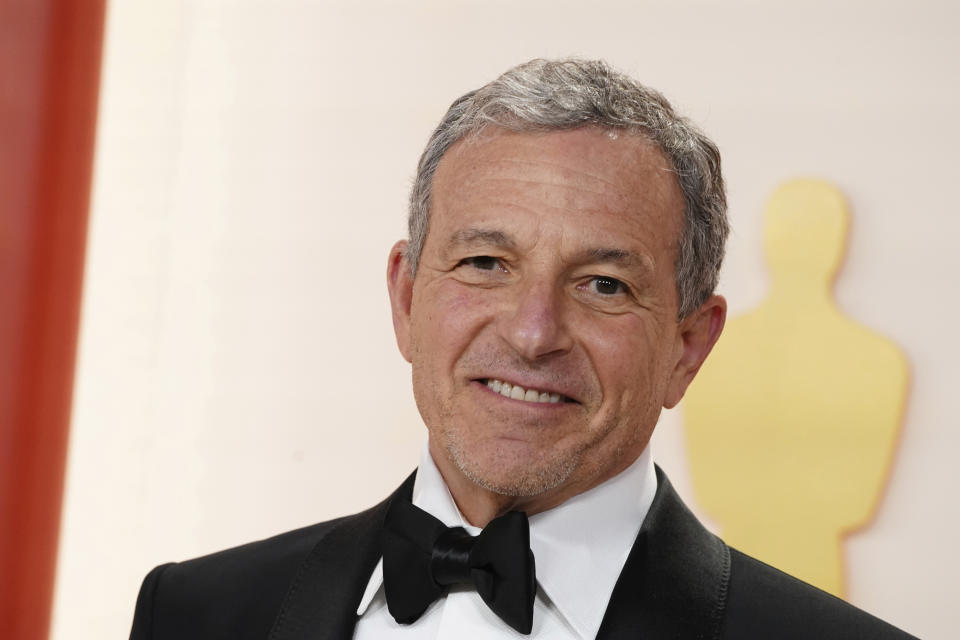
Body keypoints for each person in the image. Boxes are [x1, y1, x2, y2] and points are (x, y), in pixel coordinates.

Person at [129, 58, 915, 639]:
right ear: (406, 299)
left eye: (603, 284)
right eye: (484, 264)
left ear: (687, 347)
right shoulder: (194, 612)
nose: (532, 333)